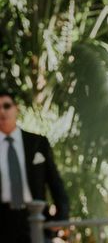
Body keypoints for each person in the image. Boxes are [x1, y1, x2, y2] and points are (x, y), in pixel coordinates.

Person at [0, 89, 69, 243]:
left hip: (35, 218)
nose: (2, 111)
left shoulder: (38, 143)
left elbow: (54, 181)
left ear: (16, 108)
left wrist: (61, 217)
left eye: (6, 106)